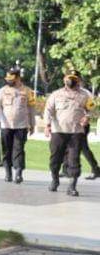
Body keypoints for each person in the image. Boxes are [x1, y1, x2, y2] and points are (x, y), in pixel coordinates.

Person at [45, 67, 93, 197]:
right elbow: (48, 110)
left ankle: (72, 186)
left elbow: (92, 110)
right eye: (69, 78)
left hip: (76, 132)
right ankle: (55, 180)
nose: (71, 81)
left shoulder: (85, 95)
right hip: (58, 131)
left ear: (79, 80)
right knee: (55, 159)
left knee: (74, 160)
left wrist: (87, 117)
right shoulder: (56, 94)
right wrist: (47, 124)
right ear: (64, 79)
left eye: (74, 79)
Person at [0, 66, 35, 183]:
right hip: (6, 125)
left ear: (18, 78)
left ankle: (18, 172)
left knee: (18, 149)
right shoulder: (3, 90)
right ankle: (8, 173)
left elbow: (31, 109)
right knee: (6, 150)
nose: (9, 81)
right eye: (8, 78)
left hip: (21, 125)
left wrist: (32, 124)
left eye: (12, 78)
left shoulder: (28, 91)